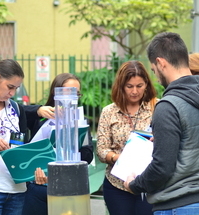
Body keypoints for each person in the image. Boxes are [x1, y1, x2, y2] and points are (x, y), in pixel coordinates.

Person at [124, 32, 199, 214]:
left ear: (161, 63)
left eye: (153, 69)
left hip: (178, 205)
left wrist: (134, 185)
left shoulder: (168, 106)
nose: (155, 76)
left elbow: (162, 168)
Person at [22, 73, 93, 215]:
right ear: (56, 92)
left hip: (68, 186)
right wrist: (38, 110)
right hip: (38, 187)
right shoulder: (41, 118)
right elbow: (17, 111)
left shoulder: (80, 120)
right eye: (68, 91)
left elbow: (88, 155)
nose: (72, 97)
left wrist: (74, 139)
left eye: (77, 93)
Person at [96, 60, 157, 215]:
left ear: (147, 85)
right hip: (116, 185)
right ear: (121, 86)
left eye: (139, 86)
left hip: (148, 184)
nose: (135, 91)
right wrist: (120, 158)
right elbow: (101, 149)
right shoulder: (109, 112)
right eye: (129, 86)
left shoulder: (157, 108)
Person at [0, 59, 28, 215]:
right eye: (10, 87)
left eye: (16, 88)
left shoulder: (16, 108)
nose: (12, 93)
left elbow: (23, 147)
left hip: (16, 189)